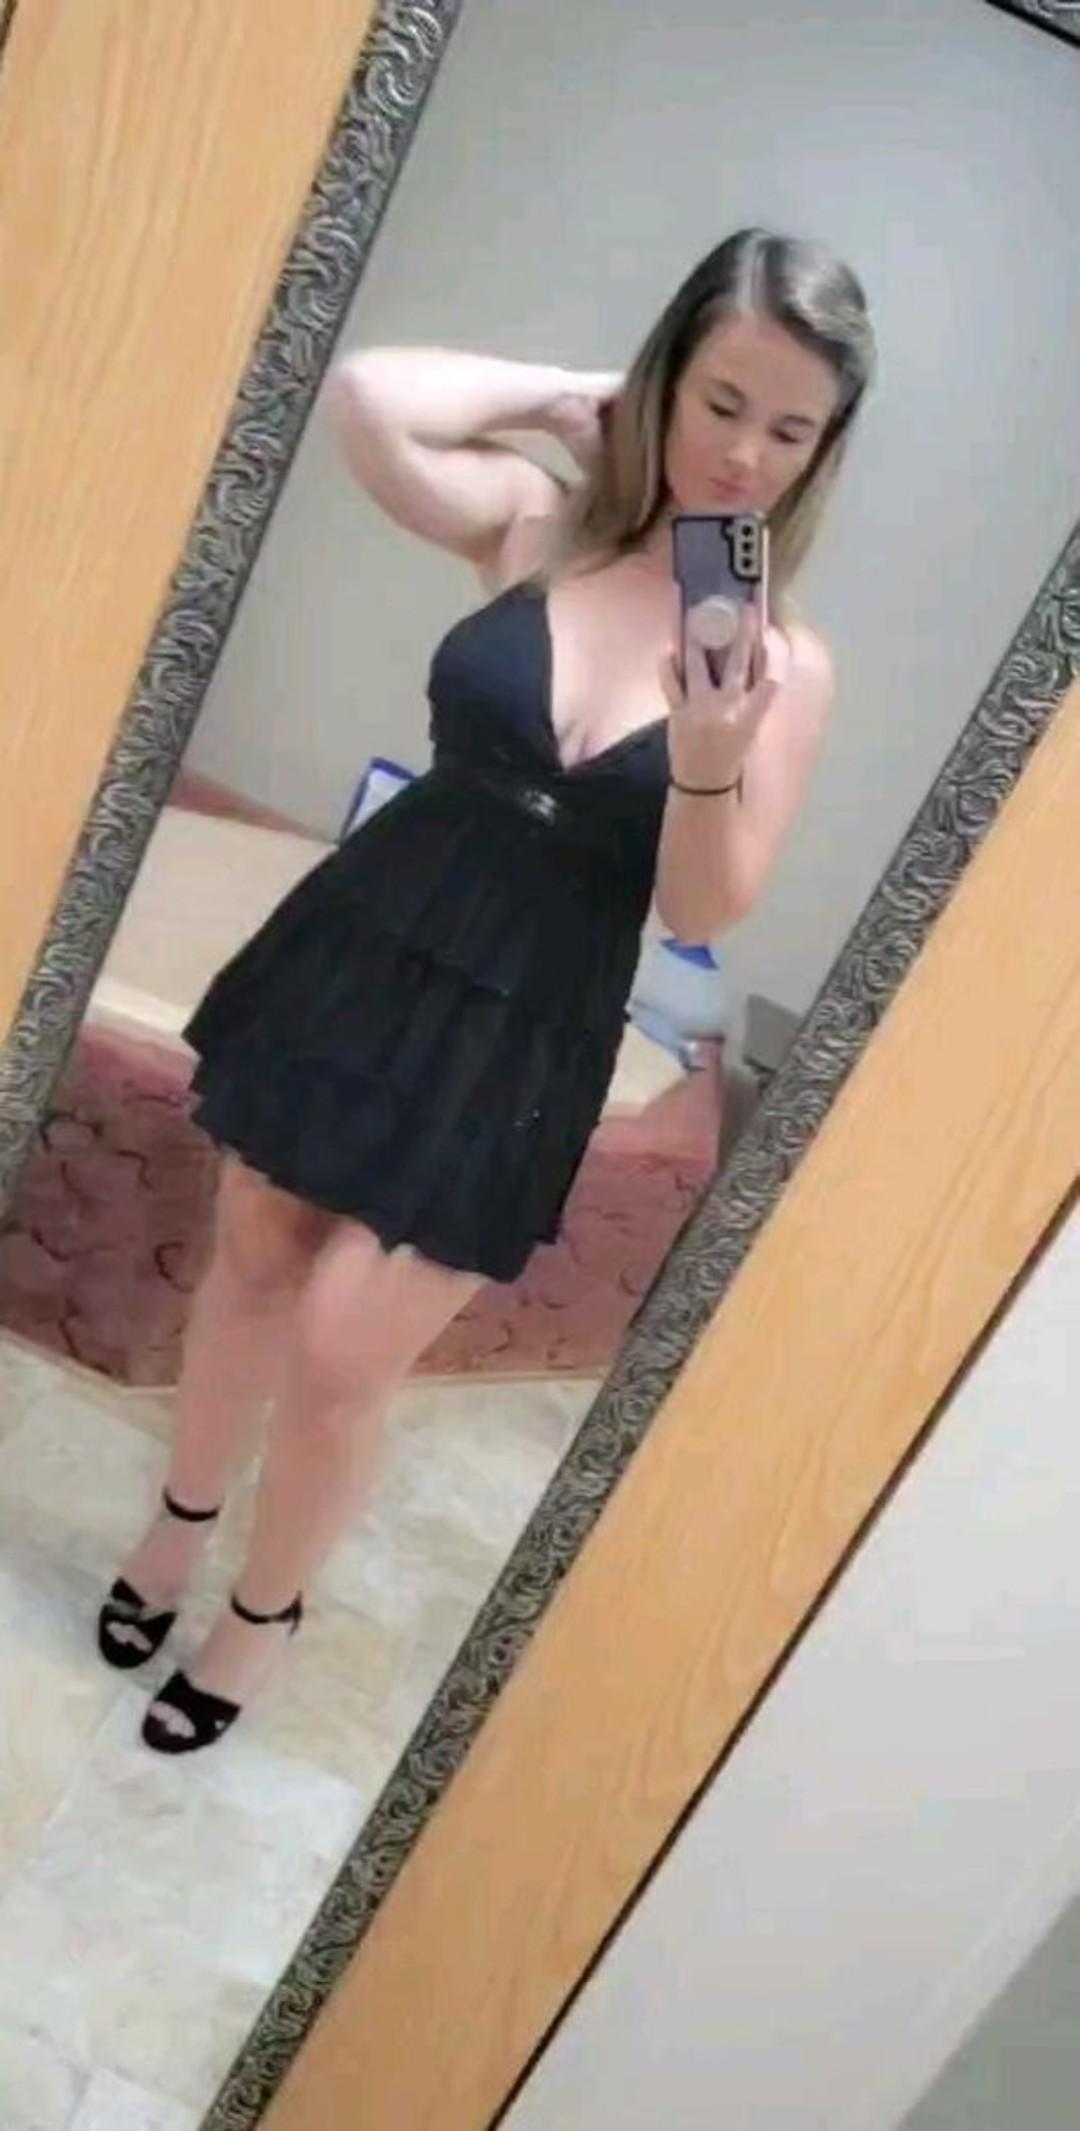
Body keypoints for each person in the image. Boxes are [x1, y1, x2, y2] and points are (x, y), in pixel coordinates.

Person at [97, 228, 876, 1754]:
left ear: (823, 450)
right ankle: (177, 1524)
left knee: (346, 1351)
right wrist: (576, 396)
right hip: (370, 941)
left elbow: (700, 907)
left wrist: (709, 760)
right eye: (721, 401)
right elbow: (371, 397)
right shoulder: (540, 527)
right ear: (667, 378)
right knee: (255, 1253)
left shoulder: (785, 664)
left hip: (527, 1025)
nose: (744, 457)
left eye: (791, 430)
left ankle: (264, 1612)